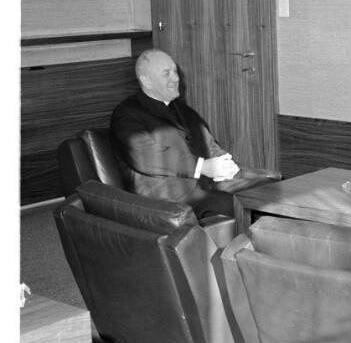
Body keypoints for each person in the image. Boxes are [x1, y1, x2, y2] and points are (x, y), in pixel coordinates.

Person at [110, 48, 273, 218]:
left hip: (206, 185)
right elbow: (146, 157)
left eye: (175, 71)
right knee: (229, 203)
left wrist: (225, 164)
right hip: (166, 196)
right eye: (166, 73)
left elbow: (209, 144)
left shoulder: (185, 111)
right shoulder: (127, 114)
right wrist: (202, 167)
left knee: (269, 188)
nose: (176, 78)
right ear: (147, 81)